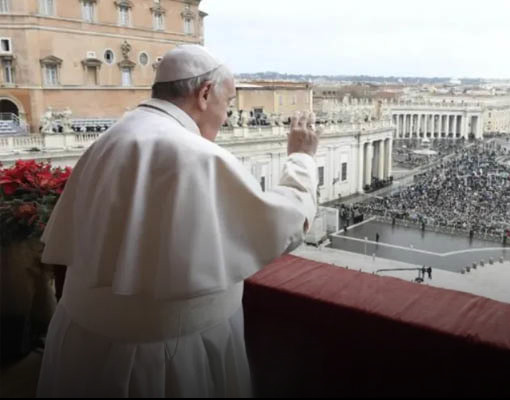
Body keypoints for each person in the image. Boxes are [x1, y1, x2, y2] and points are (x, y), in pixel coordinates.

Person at [36, 45, 319, 397]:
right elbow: (286, 223)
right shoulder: (197, 154)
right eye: (228, 102)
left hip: (80, 343)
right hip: (168, 360)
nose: (228, 115)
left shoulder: (108, 140)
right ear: (204, 94)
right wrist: (302, 159)